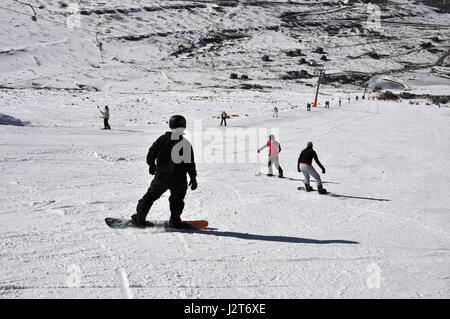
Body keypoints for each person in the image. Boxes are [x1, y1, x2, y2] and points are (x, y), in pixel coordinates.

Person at [131, 115, 197, 228]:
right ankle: (175, 221)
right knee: (177, 201)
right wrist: (193, 178)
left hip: (162, 177)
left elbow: (151, 154)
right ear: (184, 127)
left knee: (149, 197)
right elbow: (190, 164)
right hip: (179, 179)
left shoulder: (162, 140)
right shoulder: (185, 144)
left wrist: (151, 165)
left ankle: (139, 218)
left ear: (171, 125)